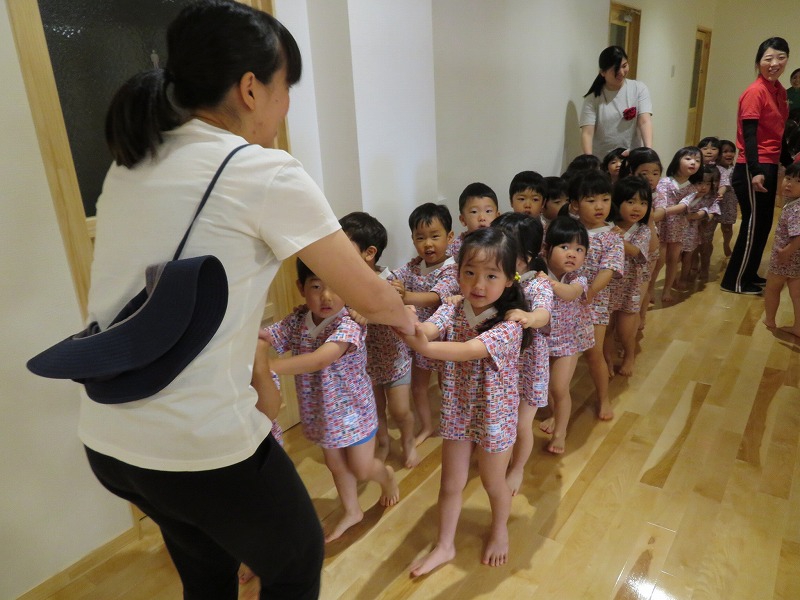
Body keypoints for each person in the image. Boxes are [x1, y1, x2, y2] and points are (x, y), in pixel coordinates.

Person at [80, 2, 414, 598]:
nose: (287, 106)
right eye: (288, 88)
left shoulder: (131, 163)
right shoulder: (261, 172)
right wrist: (412, 319)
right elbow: (372, 296)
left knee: (205, 567)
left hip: (109, 439)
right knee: (296, 556)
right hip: (197, 442)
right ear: (252, 88)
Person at [401, 228, 531, 576]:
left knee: (493, 483)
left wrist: (422, 345)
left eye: (491, 275)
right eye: (469, 272)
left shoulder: (510, 323)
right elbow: (429, 330)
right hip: (457, 409)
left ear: (508, 280)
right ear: (457, 273)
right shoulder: (454, 306)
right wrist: (410, 325)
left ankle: (500, 529)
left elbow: (467, 351)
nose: (478, 283)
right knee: (450, 483)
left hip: (495, 415)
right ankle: (445, 544)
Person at [261, 260, 400, 543]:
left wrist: (270, 367)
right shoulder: (297, 320)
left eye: (335, 288)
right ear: (301, 288)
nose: (326, 296)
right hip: (321, 413)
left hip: (353, 412)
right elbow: (269, 336)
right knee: (335, 464)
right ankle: (352, 510)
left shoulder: (349, 324)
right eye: (316, 286)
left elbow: (321, 358)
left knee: (361, 467)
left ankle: (386, 476)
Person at [339, 212, 418, 468]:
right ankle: (383, 442)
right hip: (365, 362)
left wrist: (369, 312)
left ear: (369, 252)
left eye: (345, 245)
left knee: (400, 410)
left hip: (394, 358)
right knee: (375, 410)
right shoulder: (344, 283)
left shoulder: (391, 282)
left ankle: (408, 441)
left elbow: (395, 315)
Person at [722, 37, 793, 295]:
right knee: (753, 223)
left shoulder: (779, 91)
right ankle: (735, 281)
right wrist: (756, 171)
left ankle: (749, 273)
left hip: (769, 164)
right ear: (759, 62)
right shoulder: (756, 92)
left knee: (763, 223)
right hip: (753, 167)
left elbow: (778, 133)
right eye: (768, 58)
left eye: (781, 57)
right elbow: (749, 136)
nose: (775, 63)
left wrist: (789, 163)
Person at [492, 213, 552, 495]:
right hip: (503, 365)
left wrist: (529, 316)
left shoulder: (538, 283)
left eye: (510, 253)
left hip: (529, 365)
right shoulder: (498, 279)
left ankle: (517, 467)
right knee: (503, 417)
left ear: (530, 254)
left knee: (522, 422)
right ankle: (499, 458)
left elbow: (543, 313)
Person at [391, 203, 458, 446]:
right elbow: (394, 277)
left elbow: (435, 297)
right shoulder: (413, 266)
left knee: (447, 385)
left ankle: (454, 425)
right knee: (418, 386)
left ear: (449, 237)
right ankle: (428, 426)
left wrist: (405, 296)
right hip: (417, 337)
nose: (428, 244)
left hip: (442, 339)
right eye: (420, 238)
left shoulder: (452, 270)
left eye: (435, 236)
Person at [569, 170, 624, 421]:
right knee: (562, 357)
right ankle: (557, 409)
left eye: (604, 199)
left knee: (594, 354)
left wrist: (590, 292)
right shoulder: (568, 231)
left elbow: (608, 270)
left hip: (595, 304)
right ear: (574, 205)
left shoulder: (612, 236)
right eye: (590, 201)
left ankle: (603, 398)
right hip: (565, 302)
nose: (599, 206)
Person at [538, 216, 593, 454]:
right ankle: (554, 416)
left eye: (579, 249)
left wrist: (548, 283)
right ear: (546, 249)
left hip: (568, 342)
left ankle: (561, 433)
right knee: (547, 386)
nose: (572, 254)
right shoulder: (538, 270)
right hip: (541, 341)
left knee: (560, 388)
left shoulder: (578, 278)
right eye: (564, 247)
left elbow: (570, 294)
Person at [604, 176, 651, 377]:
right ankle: (606, 361)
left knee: (625, 331)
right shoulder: (607, 225)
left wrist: (617, 238)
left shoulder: (643, 230)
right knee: (605, 329)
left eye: (643, 203)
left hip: (629, 287)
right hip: (606, 286)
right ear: (617, 202)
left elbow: (634, 252)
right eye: (630, 202)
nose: (637, 208)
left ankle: (629, 355)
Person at [580, 46, 653, 158]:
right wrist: (590, 163)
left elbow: (644, 121)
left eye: (624, 66)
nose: (622, 72)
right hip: (604, 160)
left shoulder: (639, 89)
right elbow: (587, 133)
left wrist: (648, 152)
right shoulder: (592, 98)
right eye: (615, 69)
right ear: (602, 73)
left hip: (632, 157)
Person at [618, 147, 662, 328]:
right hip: (625, 248)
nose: (650, 178)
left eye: (655, 173)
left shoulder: (659, 193)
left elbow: (659, 215)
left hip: (649, 246)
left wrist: (650, 216)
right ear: (632, 172)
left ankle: (640, 318)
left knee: (643, 287)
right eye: (644, 173)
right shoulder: (624, 191)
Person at [653, 147, 703, 302]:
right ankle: (649, 289)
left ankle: (667, 290)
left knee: (674, 259)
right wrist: (659, 214)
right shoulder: (664, 181)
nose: (693, 162)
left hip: (678, 226)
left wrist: (662, 212)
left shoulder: (693, 188)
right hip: (661, 225)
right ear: (677, 161)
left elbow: (683, 206)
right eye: (688, 158)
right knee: (658, 260)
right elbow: (660, 201)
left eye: (697, 160)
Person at [763, 162, 800, 336]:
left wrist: (786, 252)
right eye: (788, 178)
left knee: (772, 287)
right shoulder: (793, 202)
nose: (790, 183)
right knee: (797, 294)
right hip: (797, 260)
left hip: (785, 257)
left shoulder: (796, 208)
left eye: (798, 181)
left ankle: (769, 319)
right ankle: (798, 326)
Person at [448, 182, 500, 258]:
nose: (482, 218)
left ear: (497, 216)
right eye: (474, 212)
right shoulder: (458, 246)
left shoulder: (501, 242)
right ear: (463, 220)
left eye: (488, 211)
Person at [717, 140, 739, 257]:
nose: (729, 154)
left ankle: (726, 243)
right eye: (725, 151)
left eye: (732, 151)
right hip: (715, 201)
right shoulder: (714, 168)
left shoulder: (735, 169)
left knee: (727, 227)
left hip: (729, 201)